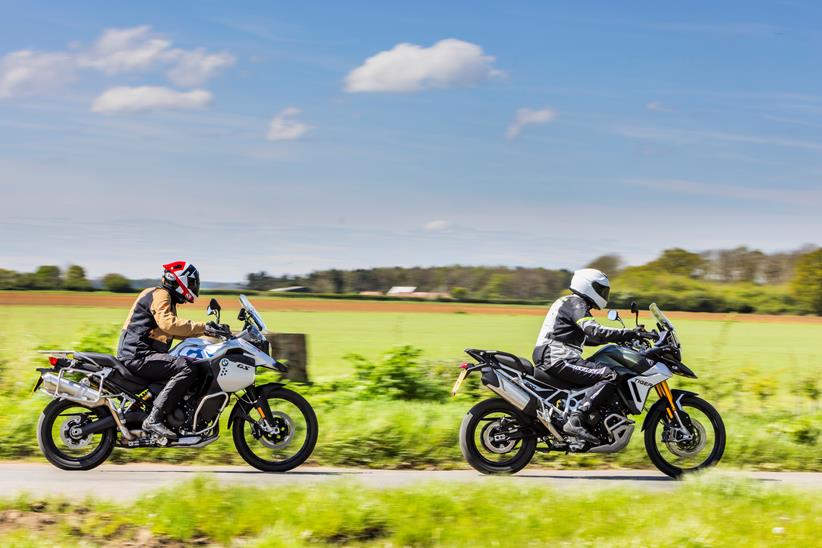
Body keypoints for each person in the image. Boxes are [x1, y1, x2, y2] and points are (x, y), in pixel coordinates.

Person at [117, 261, 229, 438]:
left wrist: (208, 334)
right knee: (187, 367)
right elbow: (168, 324)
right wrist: (204, 327)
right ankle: (154, 419)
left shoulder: (162, 296)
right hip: (138, 355)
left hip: (141, 354)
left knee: (189, 363)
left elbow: (169, 331)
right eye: (191, 283)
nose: (193, 287)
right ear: (178, 280)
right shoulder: (161, 294)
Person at [532, 268, 644, 443]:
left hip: (555, 355)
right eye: (601, 289)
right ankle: (577, 419)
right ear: (587, 286)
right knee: (610, 374)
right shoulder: (576, 303)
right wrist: (629, 333)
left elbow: (590, 337)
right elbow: (594, 330)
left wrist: (617, 340)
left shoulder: (571, 303)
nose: (604, 294)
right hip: (557, 358)